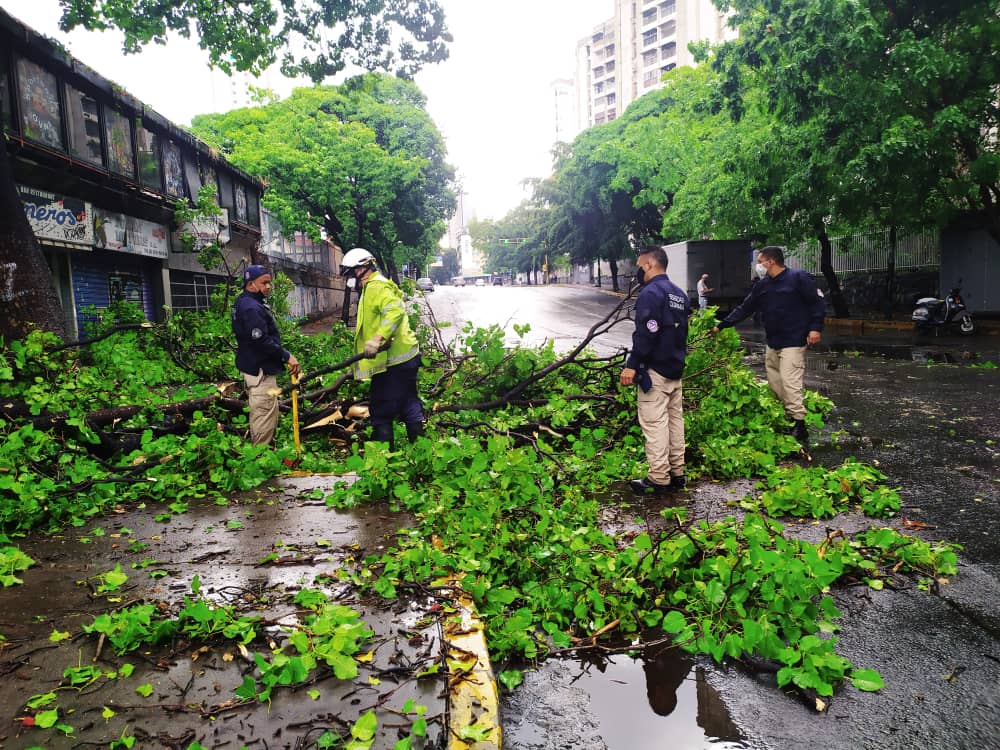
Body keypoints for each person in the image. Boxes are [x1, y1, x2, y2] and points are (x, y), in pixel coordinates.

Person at [711, 246, 826, 446]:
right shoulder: (763, 286)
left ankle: (799, 424)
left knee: (790, 382)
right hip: (773, 341)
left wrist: (815, 328)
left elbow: (817, 303)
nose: (759, 266)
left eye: (761, 261)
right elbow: (745, 308)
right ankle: (789, 415)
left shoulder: (799, 278)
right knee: (775, 383)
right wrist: (721, 325)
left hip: (794, 340)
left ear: (771, 261)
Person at [620, 246, 691, 494]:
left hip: (656, 370)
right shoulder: (680, 294)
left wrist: (632, 365)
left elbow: (646, 333)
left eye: (640, 266)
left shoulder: (651, 293)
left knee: (655, 424)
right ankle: (677, 472)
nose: (638, 272)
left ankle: (659, 478)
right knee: (675, 422)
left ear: (650, 264)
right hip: (675, 367)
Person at [340, 248, 425, 448]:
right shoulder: (374, 286)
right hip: (406, 358)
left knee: (380, 410)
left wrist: (378, 337)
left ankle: (383, 461)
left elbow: (395, 310)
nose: (351, 278)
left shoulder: (376, 287)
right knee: (408, 402)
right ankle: (422, 452)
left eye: (352, 272)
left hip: (394, 361)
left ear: (362, 269)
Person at [232, 264, 301, 446]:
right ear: (251, 283)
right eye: (264, 282)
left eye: (269, 282)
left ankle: (264, 453)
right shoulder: (251, 308)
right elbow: (260, 340)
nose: (268, 286)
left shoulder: (247, 302)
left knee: (267, 413)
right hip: (260, 371)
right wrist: (287, 356)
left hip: (258, 368)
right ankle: (259, 462)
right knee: (263, 415)